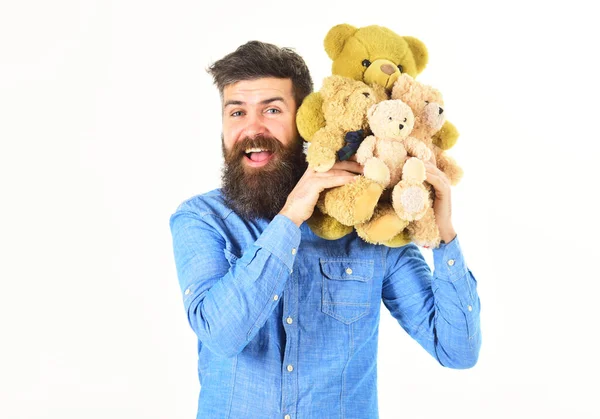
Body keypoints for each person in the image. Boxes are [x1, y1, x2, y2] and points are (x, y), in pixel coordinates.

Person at [169, 40, 481, 419]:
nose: (252, 128)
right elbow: (221, 334)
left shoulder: (369, 220)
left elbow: (457, 350)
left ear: (305, 120)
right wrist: (290, 218)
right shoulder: (201, 218)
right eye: (237, 112)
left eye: (271, 109)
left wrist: (444, 234)